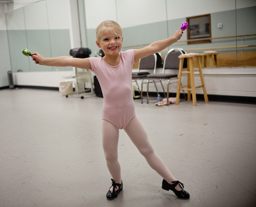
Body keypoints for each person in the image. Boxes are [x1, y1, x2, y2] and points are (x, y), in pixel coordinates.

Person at [31, 20, 190, 200]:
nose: (112, 42)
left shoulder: (129, 56)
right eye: (106, 39)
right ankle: (117, 182)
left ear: (122, 39)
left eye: (116, 38)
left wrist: (174, 38)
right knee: (110, 156)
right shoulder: (95, 63)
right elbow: (68, 60)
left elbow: (154, 47)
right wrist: (44, 61)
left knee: (147, 150)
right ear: (98, 44)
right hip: (110, 119)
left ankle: (171, 181)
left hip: (130, 117)